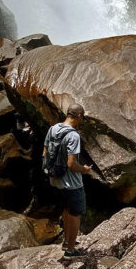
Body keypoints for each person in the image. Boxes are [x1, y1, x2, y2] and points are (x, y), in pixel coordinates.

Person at [43, 103, 92, 257]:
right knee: (75, 214)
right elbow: (71, 164)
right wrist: (84, 169)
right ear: (79, 117)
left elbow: (44, 152)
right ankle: (71, 250)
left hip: (55, 180)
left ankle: (65, 240)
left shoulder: (53, 129)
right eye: (81, 118)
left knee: (65, 210)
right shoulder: (73, 135)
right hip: (72, 183)